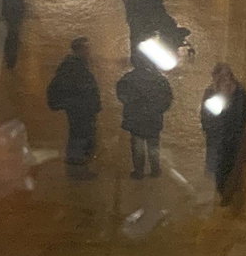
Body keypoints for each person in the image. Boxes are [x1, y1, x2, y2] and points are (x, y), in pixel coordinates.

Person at [200, 63, 246, 210]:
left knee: (236, 167)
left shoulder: (239, 93)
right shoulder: (211, 93)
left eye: (226, 76)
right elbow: (206, 115)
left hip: (236, 138)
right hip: (219, 139)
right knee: (220, 168)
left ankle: (231, 193)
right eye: (220, 77)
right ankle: (224, 193)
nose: (224, 80)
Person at [46, 37, 101, 177]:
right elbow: (77, 87)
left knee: (81, 136)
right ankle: (77, 170)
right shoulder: (74, 66)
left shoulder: (77, 64)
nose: (89, 51)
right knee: (80, 137)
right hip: (79, 108)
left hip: (81, 108)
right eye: (86, 48)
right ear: (80, 49)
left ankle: (78, 168)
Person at [115, 49, 173, 179]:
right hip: (153, 118)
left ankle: (139, 171)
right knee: (153, 144)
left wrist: (132, 106)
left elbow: (122, 96)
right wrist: (158, 109)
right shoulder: (159, 79)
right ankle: (155, 169)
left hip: (136, 119)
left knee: (137, 145)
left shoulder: (128, 79)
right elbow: (167, 98)